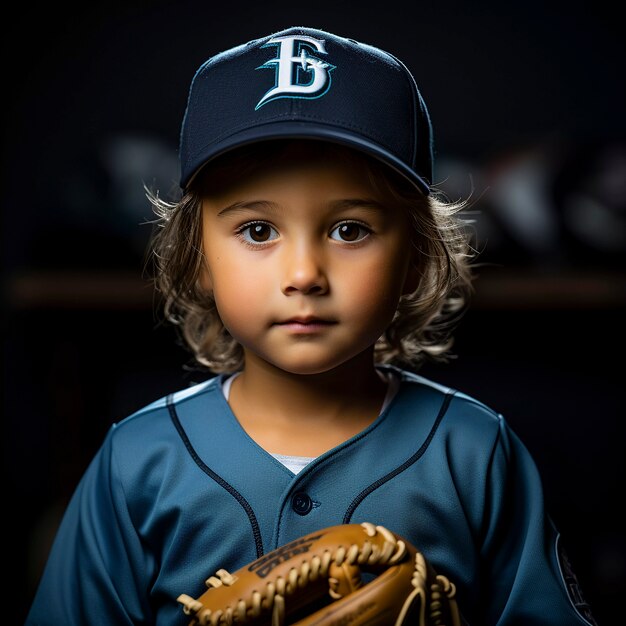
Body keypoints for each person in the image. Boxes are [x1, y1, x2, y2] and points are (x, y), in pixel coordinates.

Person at [25, 26, 598, 626]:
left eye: (350, 230)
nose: (304, 274)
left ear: (418, 258)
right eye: (257, 230)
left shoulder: (475, 454)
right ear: (195, 258)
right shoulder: (135, 463)